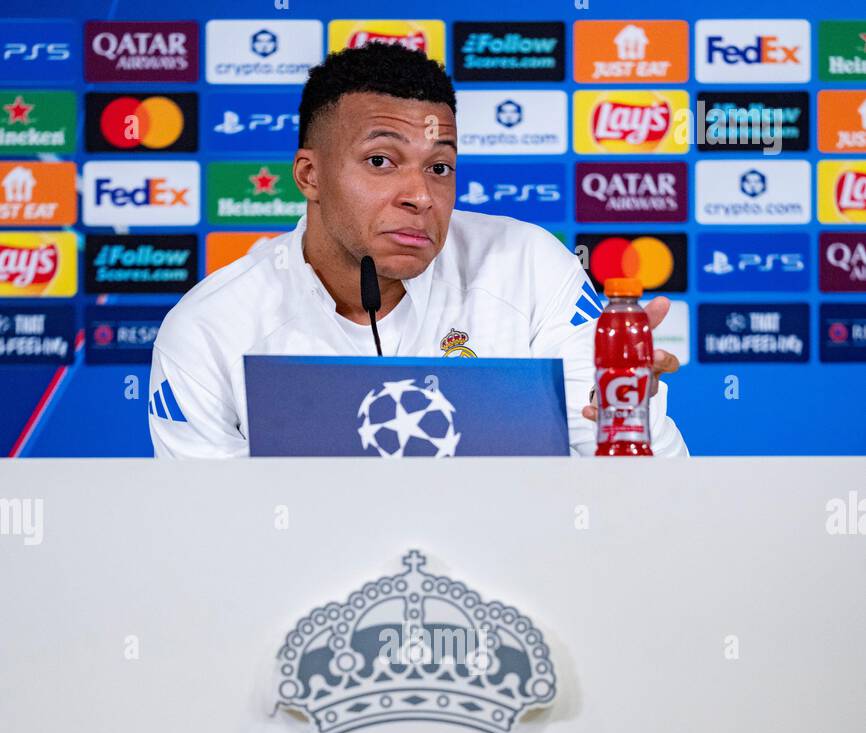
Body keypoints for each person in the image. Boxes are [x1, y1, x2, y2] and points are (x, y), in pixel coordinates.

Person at [148, 43, 687, 458]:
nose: (421, 197)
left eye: (440, 167)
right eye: (381, 161)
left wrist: (631, 416)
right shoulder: (209, 328)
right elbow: (214, 537)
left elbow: (643, 496)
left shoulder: (529, 267)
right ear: (309, 174)